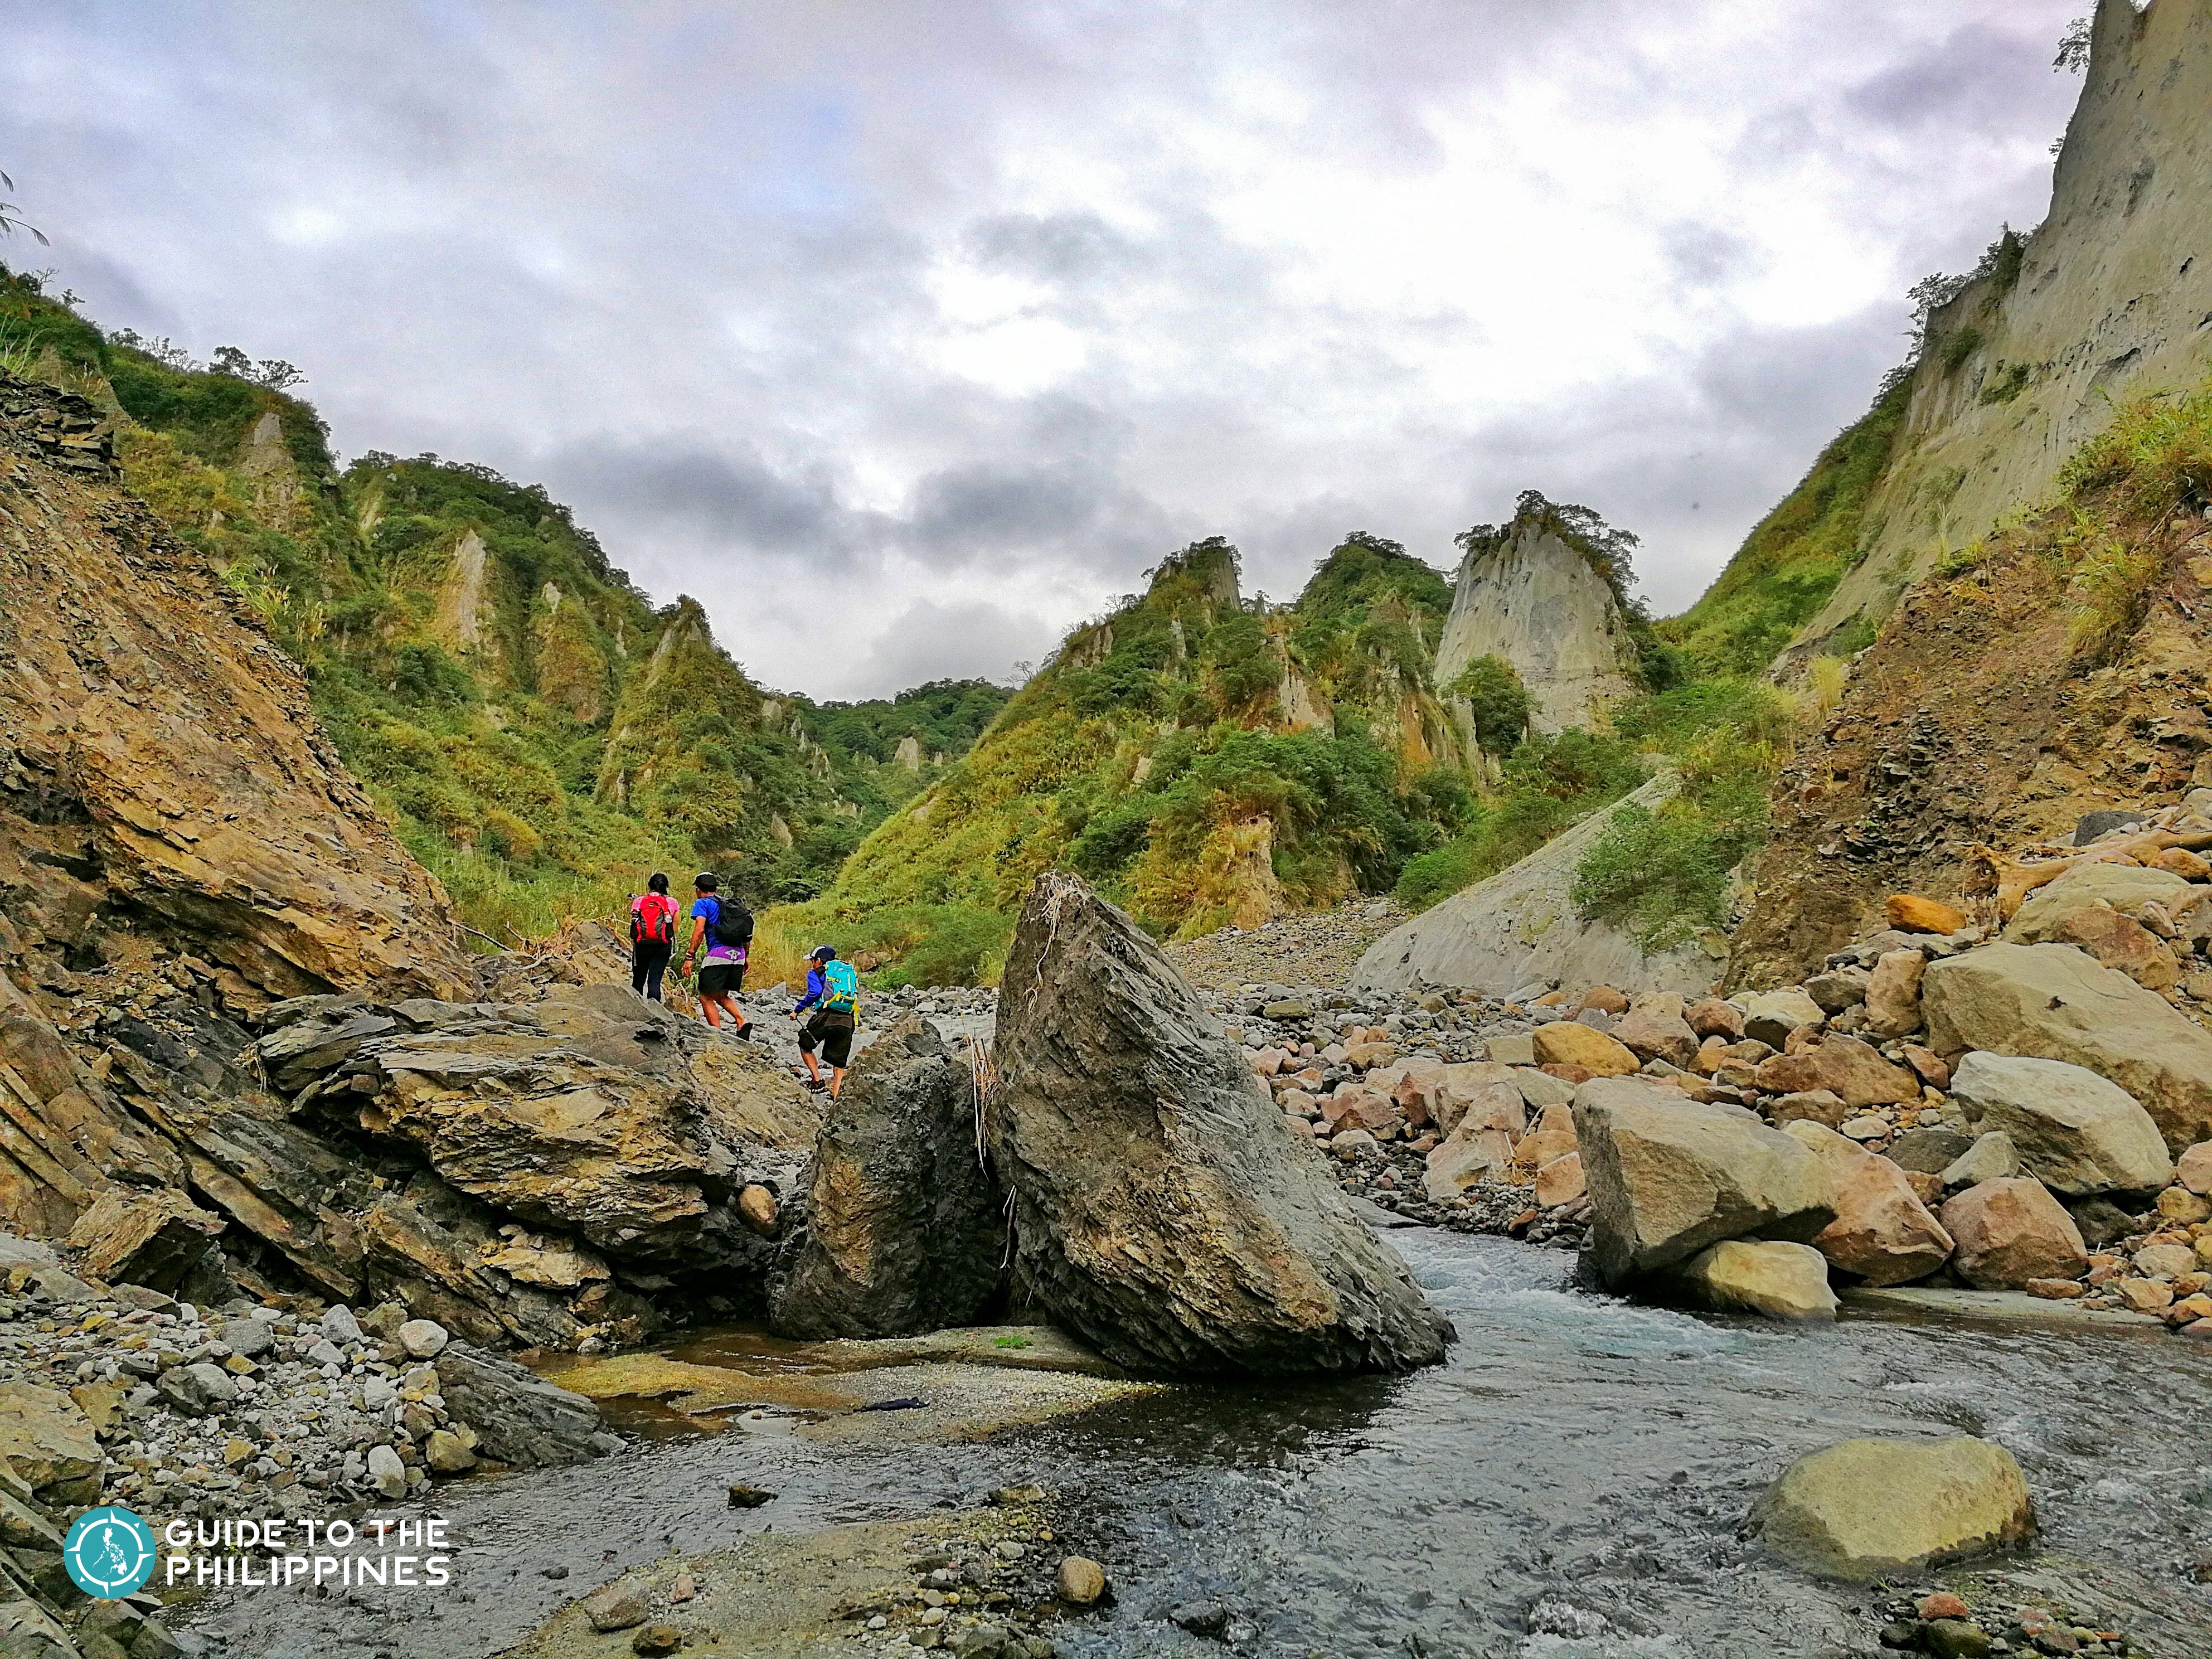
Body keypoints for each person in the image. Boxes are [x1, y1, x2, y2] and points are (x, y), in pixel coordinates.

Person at [678, 872, 753, 1037]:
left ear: (698, 890)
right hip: (738, 955)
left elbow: (699, 930)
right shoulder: (729, 905)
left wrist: (690, 957)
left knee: (705, 996)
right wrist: (746, 956)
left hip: (718, 955)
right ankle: (742, 1021)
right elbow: (746, 933)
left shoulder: (703, 903)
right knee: (720, 995)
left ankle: (716, 1035)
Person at [790, 944, 858, 1097]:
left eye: (813, 960)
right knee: (839, 1065)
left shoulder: (816, 973)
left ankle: (817, 1079)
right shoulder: (844, 975)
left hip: (826, 1017)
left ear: (819, 961)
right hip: (847, 1020)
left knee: (805, 1044)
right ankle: (836, 1099)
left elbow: (815, 992)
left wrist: (798, 1010)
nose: (812, 963)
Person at [628, 872, 679, 1002]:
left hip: (642, 945)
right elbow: (674, 928)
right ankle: (655, 1012)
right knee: (655, 981)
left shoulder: (639, 901)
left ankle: (635, 1009)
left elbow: (635, 924)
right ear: (666, 886)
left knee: (638, 980)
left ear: (649, 885)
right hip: (663, 946)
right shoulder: (672, 903)